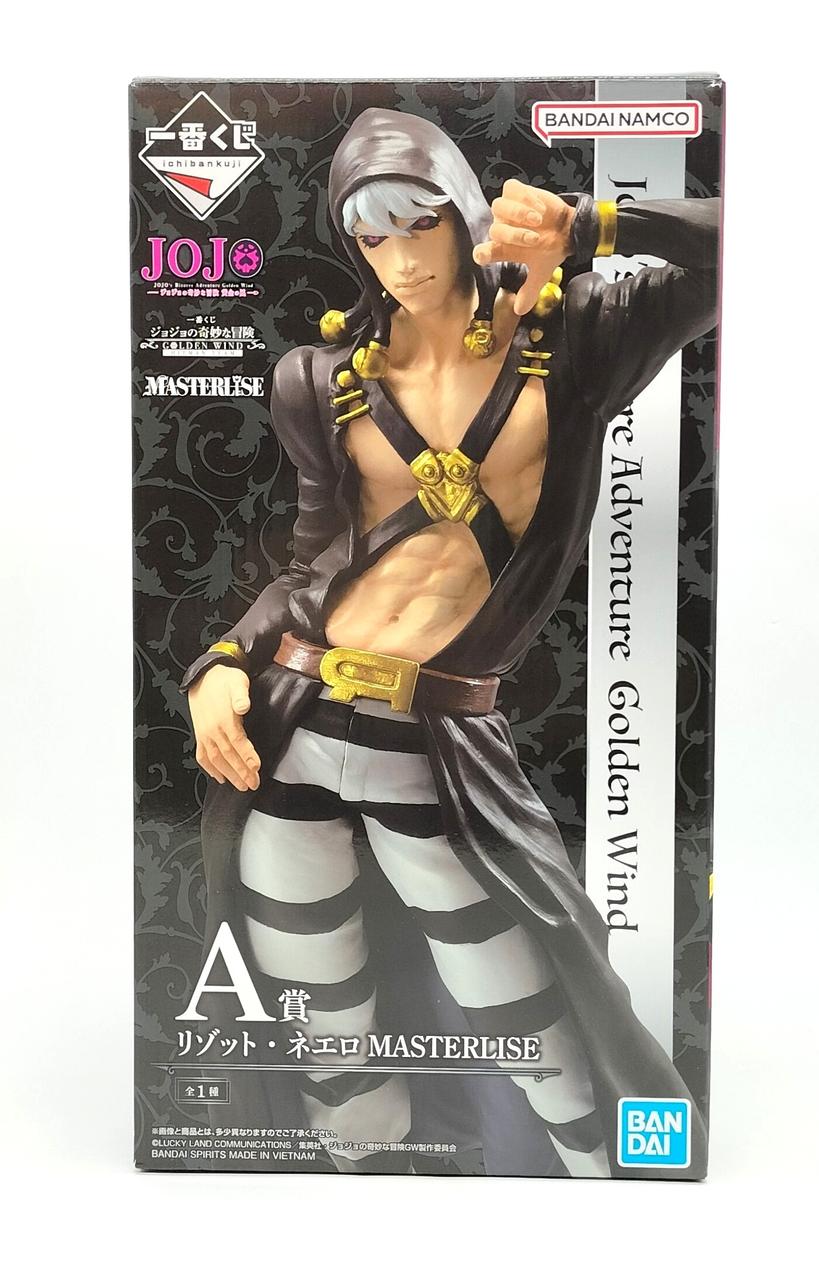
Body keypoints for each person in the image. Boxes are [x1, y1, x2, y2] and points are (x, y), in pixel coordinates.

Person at [180, 107, 720, 1178]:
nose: (398, 258)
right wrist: (220, 665)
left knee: (525, 1017)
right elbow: (309, 566)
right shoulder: (322, 377)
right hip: (293, 724)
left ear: (465, 214)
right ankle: (362, 1199)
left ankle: (605, 1176)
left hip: (431, 740)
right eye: (369, 234)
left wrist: (594, 224)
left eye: (416, 223)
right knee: (324, 1026)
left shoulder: (576, 336)